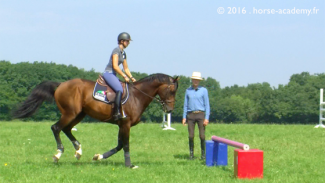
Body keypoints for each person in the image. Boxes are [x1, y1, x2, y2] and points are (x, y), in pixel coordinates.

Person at [103, 32, 137, 120]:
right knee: (119, 89)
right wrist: (124, 76)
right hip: (108, 73)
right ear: (121, 41)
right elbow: (115, 66)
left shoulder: (123, 53)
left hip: (113, 74)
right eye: (127, 41)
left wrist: (132, 77)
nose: (128, 43)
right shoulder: (116, 51)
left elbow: (126, 68)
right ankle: (116, 112)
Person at [182, 72, 210, 160]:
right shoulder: (188, 91)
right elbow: (185, 105)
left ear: (199, 81)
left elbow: (207, 105)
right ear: (192, 80)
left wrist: (207, 118)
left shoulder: (204, 90)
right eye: (194, 80)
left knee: (202, 136)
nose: (195, 81)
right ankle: (191, 154)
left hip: (201, 114)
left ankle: (203, 154)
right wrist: (184, 117)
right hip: (190, 115)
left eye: (197, 80)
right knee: (191, 136)